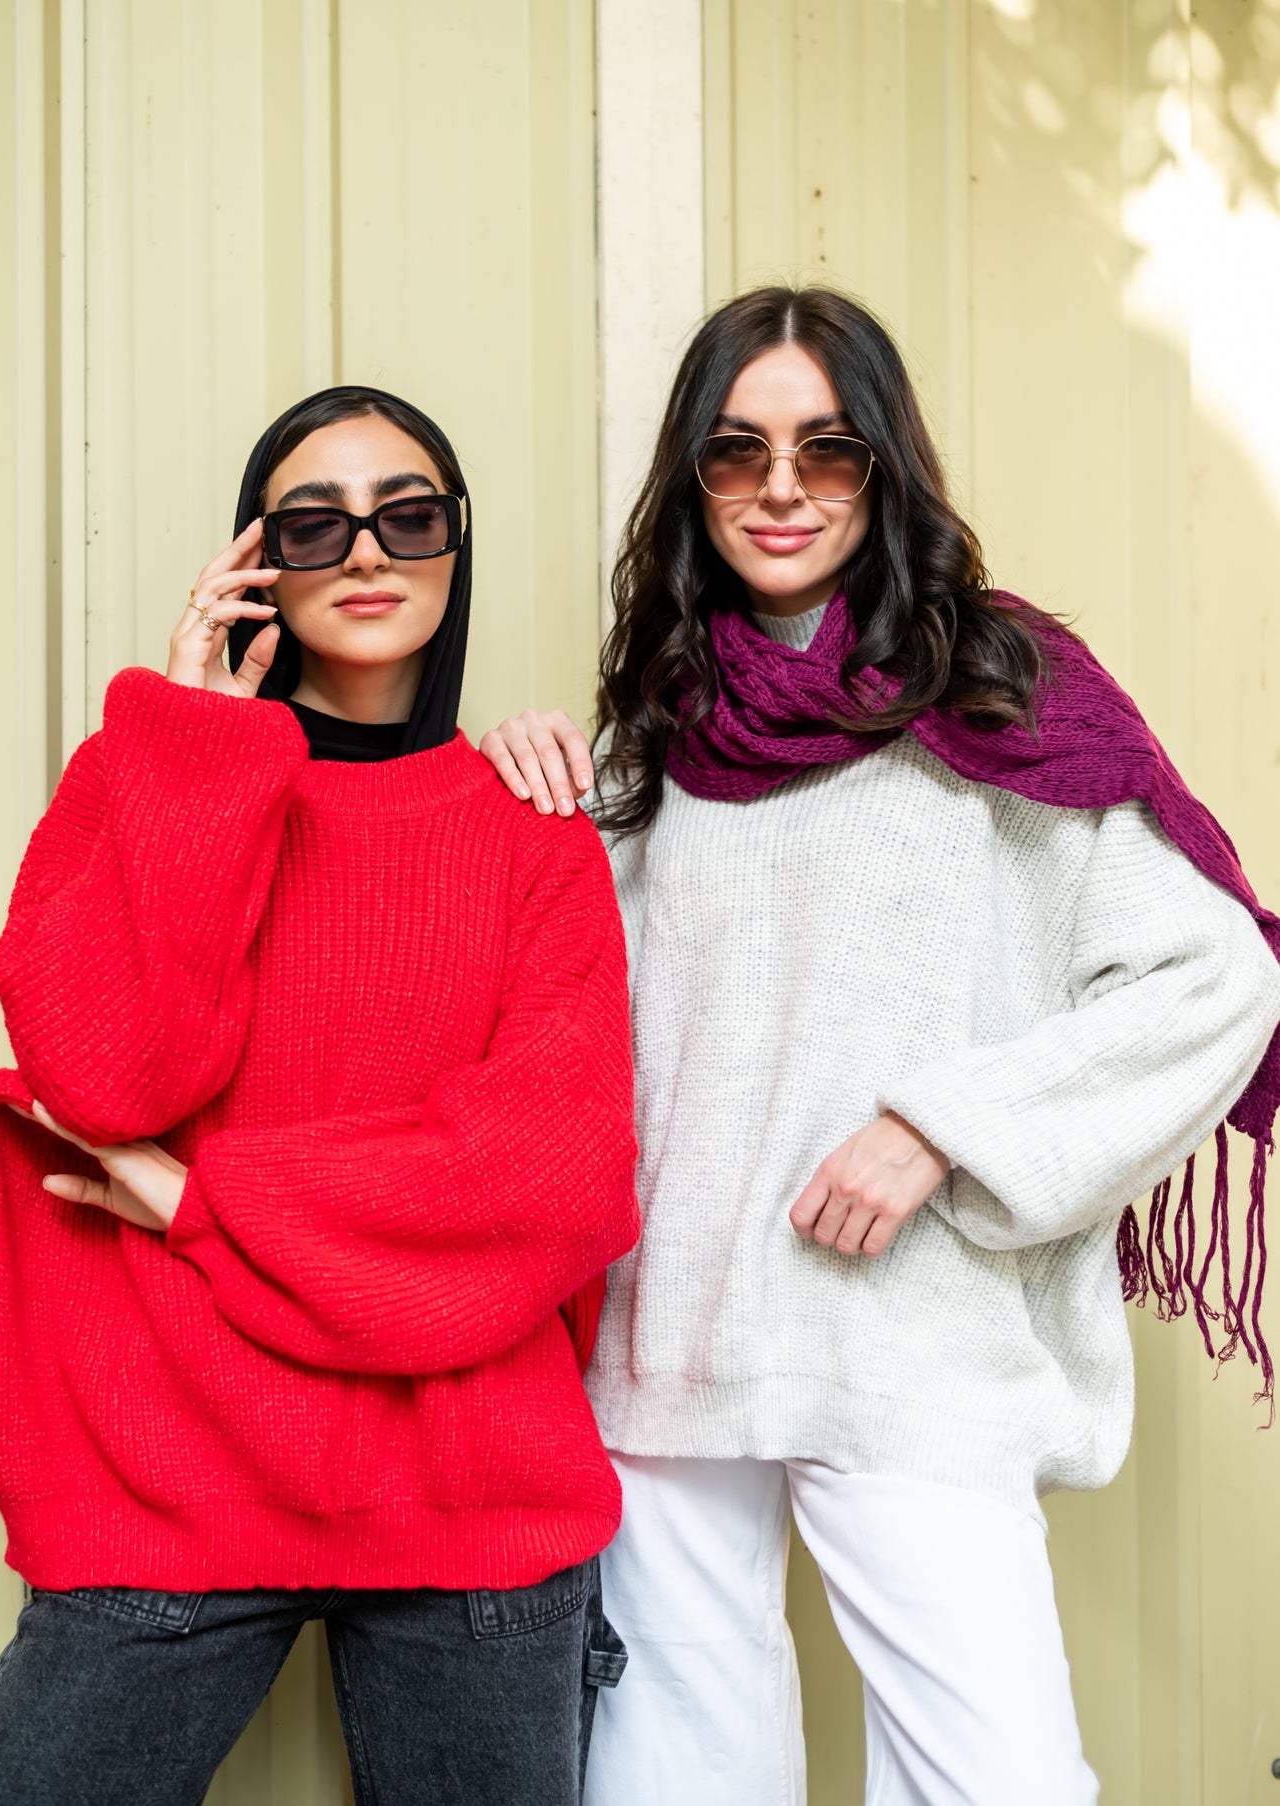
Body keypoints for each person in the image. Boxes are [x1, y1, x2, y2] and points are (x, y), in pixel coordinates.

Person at [479, 287, 1280, 1806]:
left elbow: (1215, 976)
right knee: (672, 1779)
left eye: (826, 450)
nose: (780, 489)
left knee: (1000, 1782)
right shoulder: (658, 728)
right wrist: (533, 778)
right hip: (677, 1331)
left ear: (882, 467)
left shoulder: (995, 691)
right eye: (737, 453)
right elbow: (587, 999)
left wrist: (939, 1129)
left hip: (906, 1336)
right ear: (692, 479)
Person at [0, 386, 639, 1806]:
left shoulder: (532, 833)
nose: (368, 551)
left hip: (470, 1491)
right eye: (316, 522)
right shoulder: (154, 778)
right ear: (257, 560)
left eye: (411, 515)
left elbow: (549, 1177)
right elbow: (104, 1075)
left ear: (456, 549)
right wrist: (192, 736)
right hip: (170, 1470)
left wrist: (204, 1198)